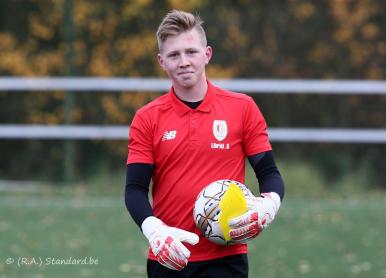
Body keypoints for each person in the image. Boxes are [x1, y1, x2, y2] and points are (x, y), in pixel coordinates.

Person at [125, 10, 285, 278]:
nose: (184, 61)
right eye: (174, 55)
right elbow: (134, 190)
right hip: (169, 256)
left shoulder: (242, 108)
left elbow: (269, 174)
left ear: (207, 54)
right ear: (162, 61)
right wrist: (154, 230)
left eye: (191, 52)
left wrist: (268, 206)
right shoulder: (147, 118)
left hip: (226, 259)